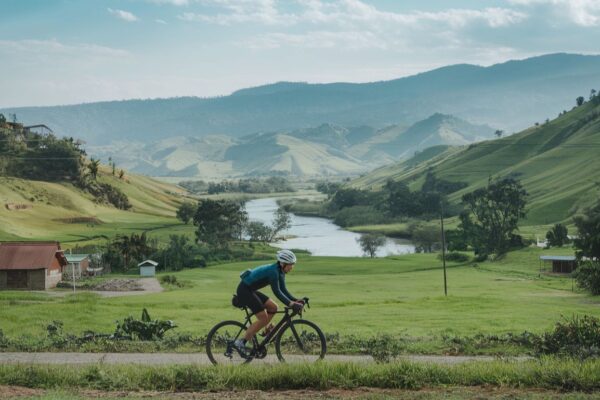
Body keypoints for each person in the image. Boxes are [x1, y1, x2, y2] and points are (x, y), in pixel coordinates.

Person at [233, 249, 303, 356]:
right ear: (283, 264)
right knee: (263, 318)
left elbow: (283, 290)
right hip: (244, 291)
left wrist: (295, 300)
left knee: (274, 307)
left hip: (250, 290)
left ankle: (265, 330)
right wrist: (292, 304)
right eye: (290, 265)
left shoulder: (280, 271)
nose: (292, 267)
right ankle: (241, 342)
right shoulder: (273, 272)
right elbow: (277, 292)